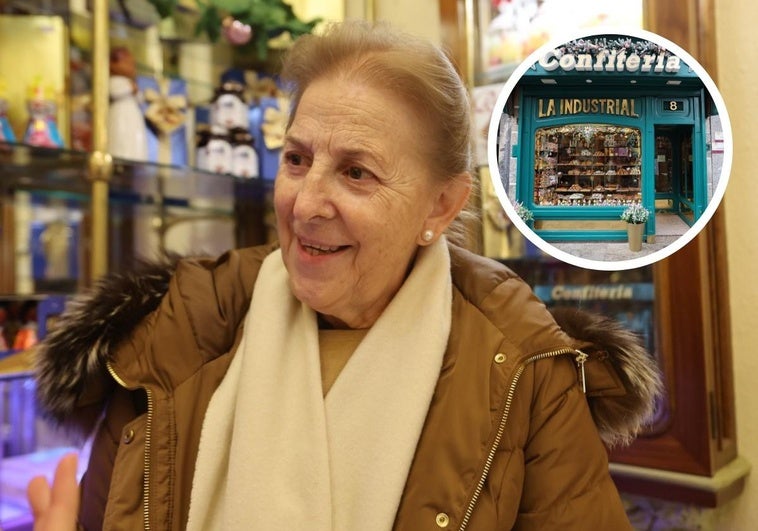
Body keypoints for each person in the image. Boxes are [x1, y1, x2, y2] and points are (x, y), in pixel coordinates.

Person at [30, 20, 660, 530]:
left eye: (357, 172)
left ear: (440, 206)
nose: (305, 204)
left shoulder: (523, 366)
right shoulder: (185, 325)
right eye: (297, 159)